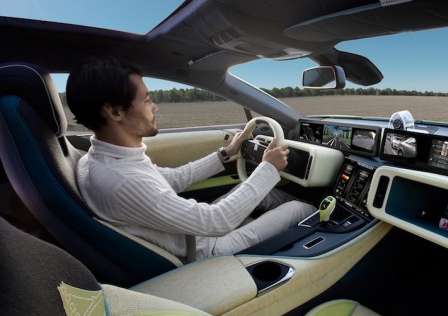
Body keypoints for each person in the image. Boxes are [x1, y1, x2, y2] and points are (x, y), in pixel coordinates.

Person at [66, 57, 316, 259]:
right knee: (300, 208)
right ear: (115, 112)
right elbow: (216, 221)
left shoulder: (102, 159)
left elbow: (175, 178)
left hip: (193, 234)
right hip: (208, 250)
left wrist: (227, 152)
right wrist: (268, 168)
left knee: (268, 194)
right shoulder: (123, 181)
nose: (155, 107)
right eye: (147, 100)